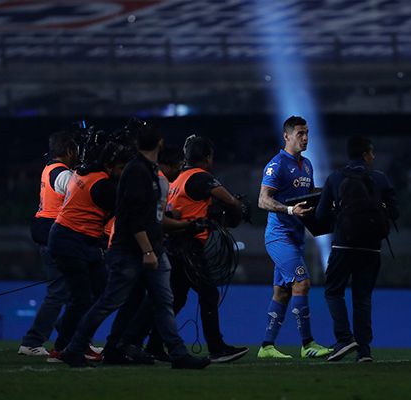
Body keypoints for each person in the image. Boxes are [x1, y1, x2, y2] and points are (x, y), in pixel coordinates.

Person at [60, 122, 210, 370]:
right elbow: (133, 216)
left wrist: (177, 231)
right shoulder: (139, 172)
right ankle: (75, 347)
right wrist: (148, 250)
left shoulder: (145, 171)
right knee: (112, 302)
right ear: (160, 143)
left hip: (147, 248)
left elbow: (151, 218)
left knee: (161, 302)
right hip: (134, 250)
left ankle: (177, 353)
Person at [145, 135, 249, 363]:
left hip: (174, 245)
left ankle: (153, 345)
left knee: (176, 299)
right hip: (188, 246)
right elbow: (230, 201)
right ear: (207, 158)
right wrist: (238, 208)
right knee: (209, 293)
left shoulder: (178, 178)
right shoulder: (201, 177)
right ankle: (216, 348)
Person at [46, 140, 131, 362]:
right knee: (83, 298)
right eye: (122, 169)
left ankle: (74, 339)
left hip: (74, 239)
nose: (124, 174)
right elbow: (127, 212)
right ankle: (63, 347)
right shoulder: (104, 186)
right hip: (72, 241)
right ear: (110, 166)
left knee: (99, 293)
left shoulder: (86, 173)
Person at [315, 136, 398, 362]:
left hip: (344, 244)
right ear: (364, 154)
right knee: (362, 298)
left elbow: (321, 215)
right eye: (372, 153)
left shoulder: (335, 178)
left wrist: (338, 214)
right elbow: (395, 212)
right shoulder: (380, 178)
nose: (374, 157)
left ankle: (344, 338)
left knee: (333, 291)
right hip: (372, 248)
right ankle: (364, 351)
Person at [257, 115, 330, 359]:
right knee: (302, 283)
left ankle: (266, 346)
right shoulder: (276, 164)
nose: (306, 137)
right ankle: (307, 344)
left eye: (307, 132)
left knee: (282, 292)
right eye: (300, 133)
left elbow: (308, 198)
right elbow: (263, 200)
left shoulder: (307, 165)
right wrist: (289, 210)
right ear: (287, 136)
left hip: (296, 238)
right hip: (279, 237)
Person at [18, 131, 78, 357]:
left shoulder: (49, 169)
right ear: (70, 151)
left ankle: (72, 337)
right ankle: (32, 341)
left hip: (48, 234)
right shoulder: (62, 174)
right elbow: (79, 194)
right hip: (57, 236)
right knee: (60, 293)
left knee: (73, 293)